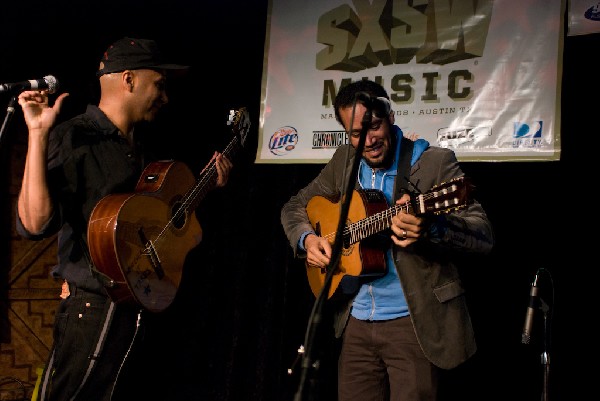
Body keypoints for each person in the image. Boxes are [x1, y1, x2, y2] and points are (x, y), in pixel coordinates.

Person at [15, 37, 233, 401]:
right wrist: (37, 135)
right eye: (159, 85)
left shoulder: (138, 149)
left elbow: (147, 227)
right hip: (93, 308)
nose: (165, 97)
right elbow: (34, 225)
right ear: (129, 79)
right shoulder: (74, 137)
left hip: (133, 307)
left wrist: (204, 189)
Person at [280, 79, 494, 401]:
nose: (367, 140)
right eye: (355, 134)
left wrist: (432, 228)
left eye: (374, 126)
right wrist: (308, 240)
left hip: (414, 325)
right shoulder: (345, 162)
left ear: (390, 116)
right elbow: (295, 206)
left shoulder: (433, 162)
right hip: (356, 323)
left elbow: (483, 235)